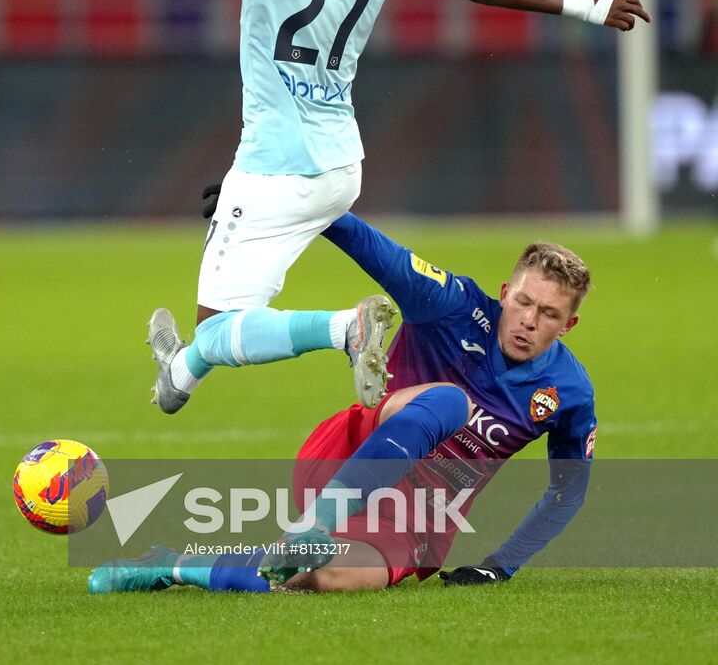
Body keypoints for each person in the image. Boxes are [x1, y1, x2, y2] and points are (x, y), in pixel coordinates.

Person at [0, 0, 647, 414]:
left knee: (222, 327)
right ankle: (175, 378)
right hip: (340, 164)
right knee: (210, 330)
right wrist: (587, 5)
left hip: (278, 160)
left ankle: (342, 328)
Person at [88, 211, 597, 594]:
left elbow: (567, 491)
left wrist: (501, 564)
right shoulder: (453, 305)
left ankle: (167, 563)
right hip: (347, 455)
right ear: (506, 293)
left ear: (568, 324)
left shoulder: (569, 393)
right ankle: (313, 526)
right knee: (450, 403)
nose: (530, 320)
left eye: (549, 314)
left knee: (326, 578)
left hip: (415, 518)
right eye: (524, 303)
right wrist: (274, 203)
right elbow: (372, 247)